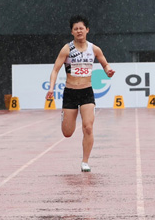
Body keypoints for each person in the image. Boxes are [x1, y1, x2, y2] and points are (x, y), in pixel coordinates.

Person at [46, 15, 115, 172]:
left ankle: (85, 161)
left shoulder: (94, 49)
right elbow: (55, 69)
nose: (79, 31)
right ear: (72, 32)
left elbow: (105, 64)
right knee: (67, 133)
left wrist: (108, 71)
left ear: (87, 30)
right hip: (70, 92)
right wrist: (51, 88)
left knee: (88, 127)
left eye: (81, 28)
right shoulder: (67, 49)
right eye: (75, 29)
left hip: (86, 92)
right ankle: (65, 116)